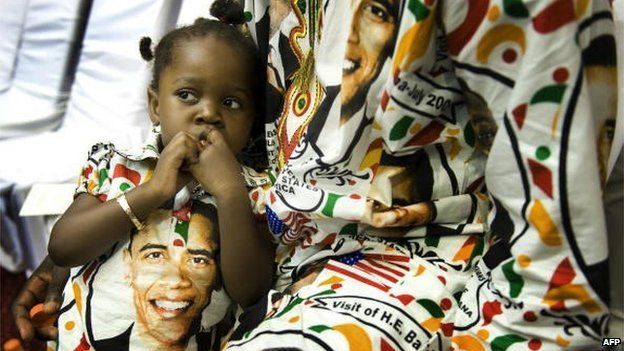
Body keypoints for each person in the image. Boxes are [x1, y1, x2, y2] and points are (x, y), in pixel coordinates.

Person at [15, 0, 619, 350]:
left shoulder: (512, 14)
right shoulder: (243, 20)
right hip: (284, 256)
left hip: (403, 260)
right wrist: (84, 251)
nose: (208, 115)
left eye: (232, 104)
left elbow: (553, 216)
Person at [43, 5, 274, 350]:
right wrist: (153, 190)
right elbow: (63, 248)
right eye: (187, 95)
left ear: (252, 120)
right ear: (154, 105)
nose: (209, 113)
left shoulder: (256, 192)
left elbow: (253, 292)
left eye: (231, 102)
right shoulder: (114, 164)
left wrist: (229, 193)